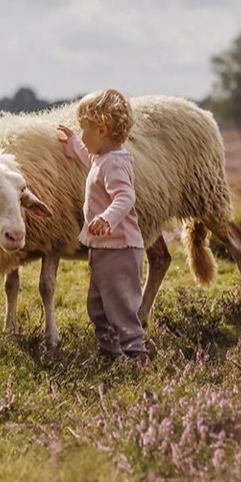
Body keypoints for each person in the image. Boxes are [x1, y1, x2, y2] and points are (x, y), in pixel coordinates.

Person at [56, 88, 148, 364]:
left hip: (119, 248)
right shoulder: (104, 157)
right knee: (97, 306)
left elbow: (125, 196)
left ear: (102, 129)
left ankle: (136, 355)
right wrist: (74, 145)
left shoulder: (116, 163)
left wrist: (107, 217)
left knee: (121, 306)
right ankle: (109, 353)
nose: (81, 133)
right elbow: (90, 160)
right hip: (105, 247)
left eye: (83, 128)